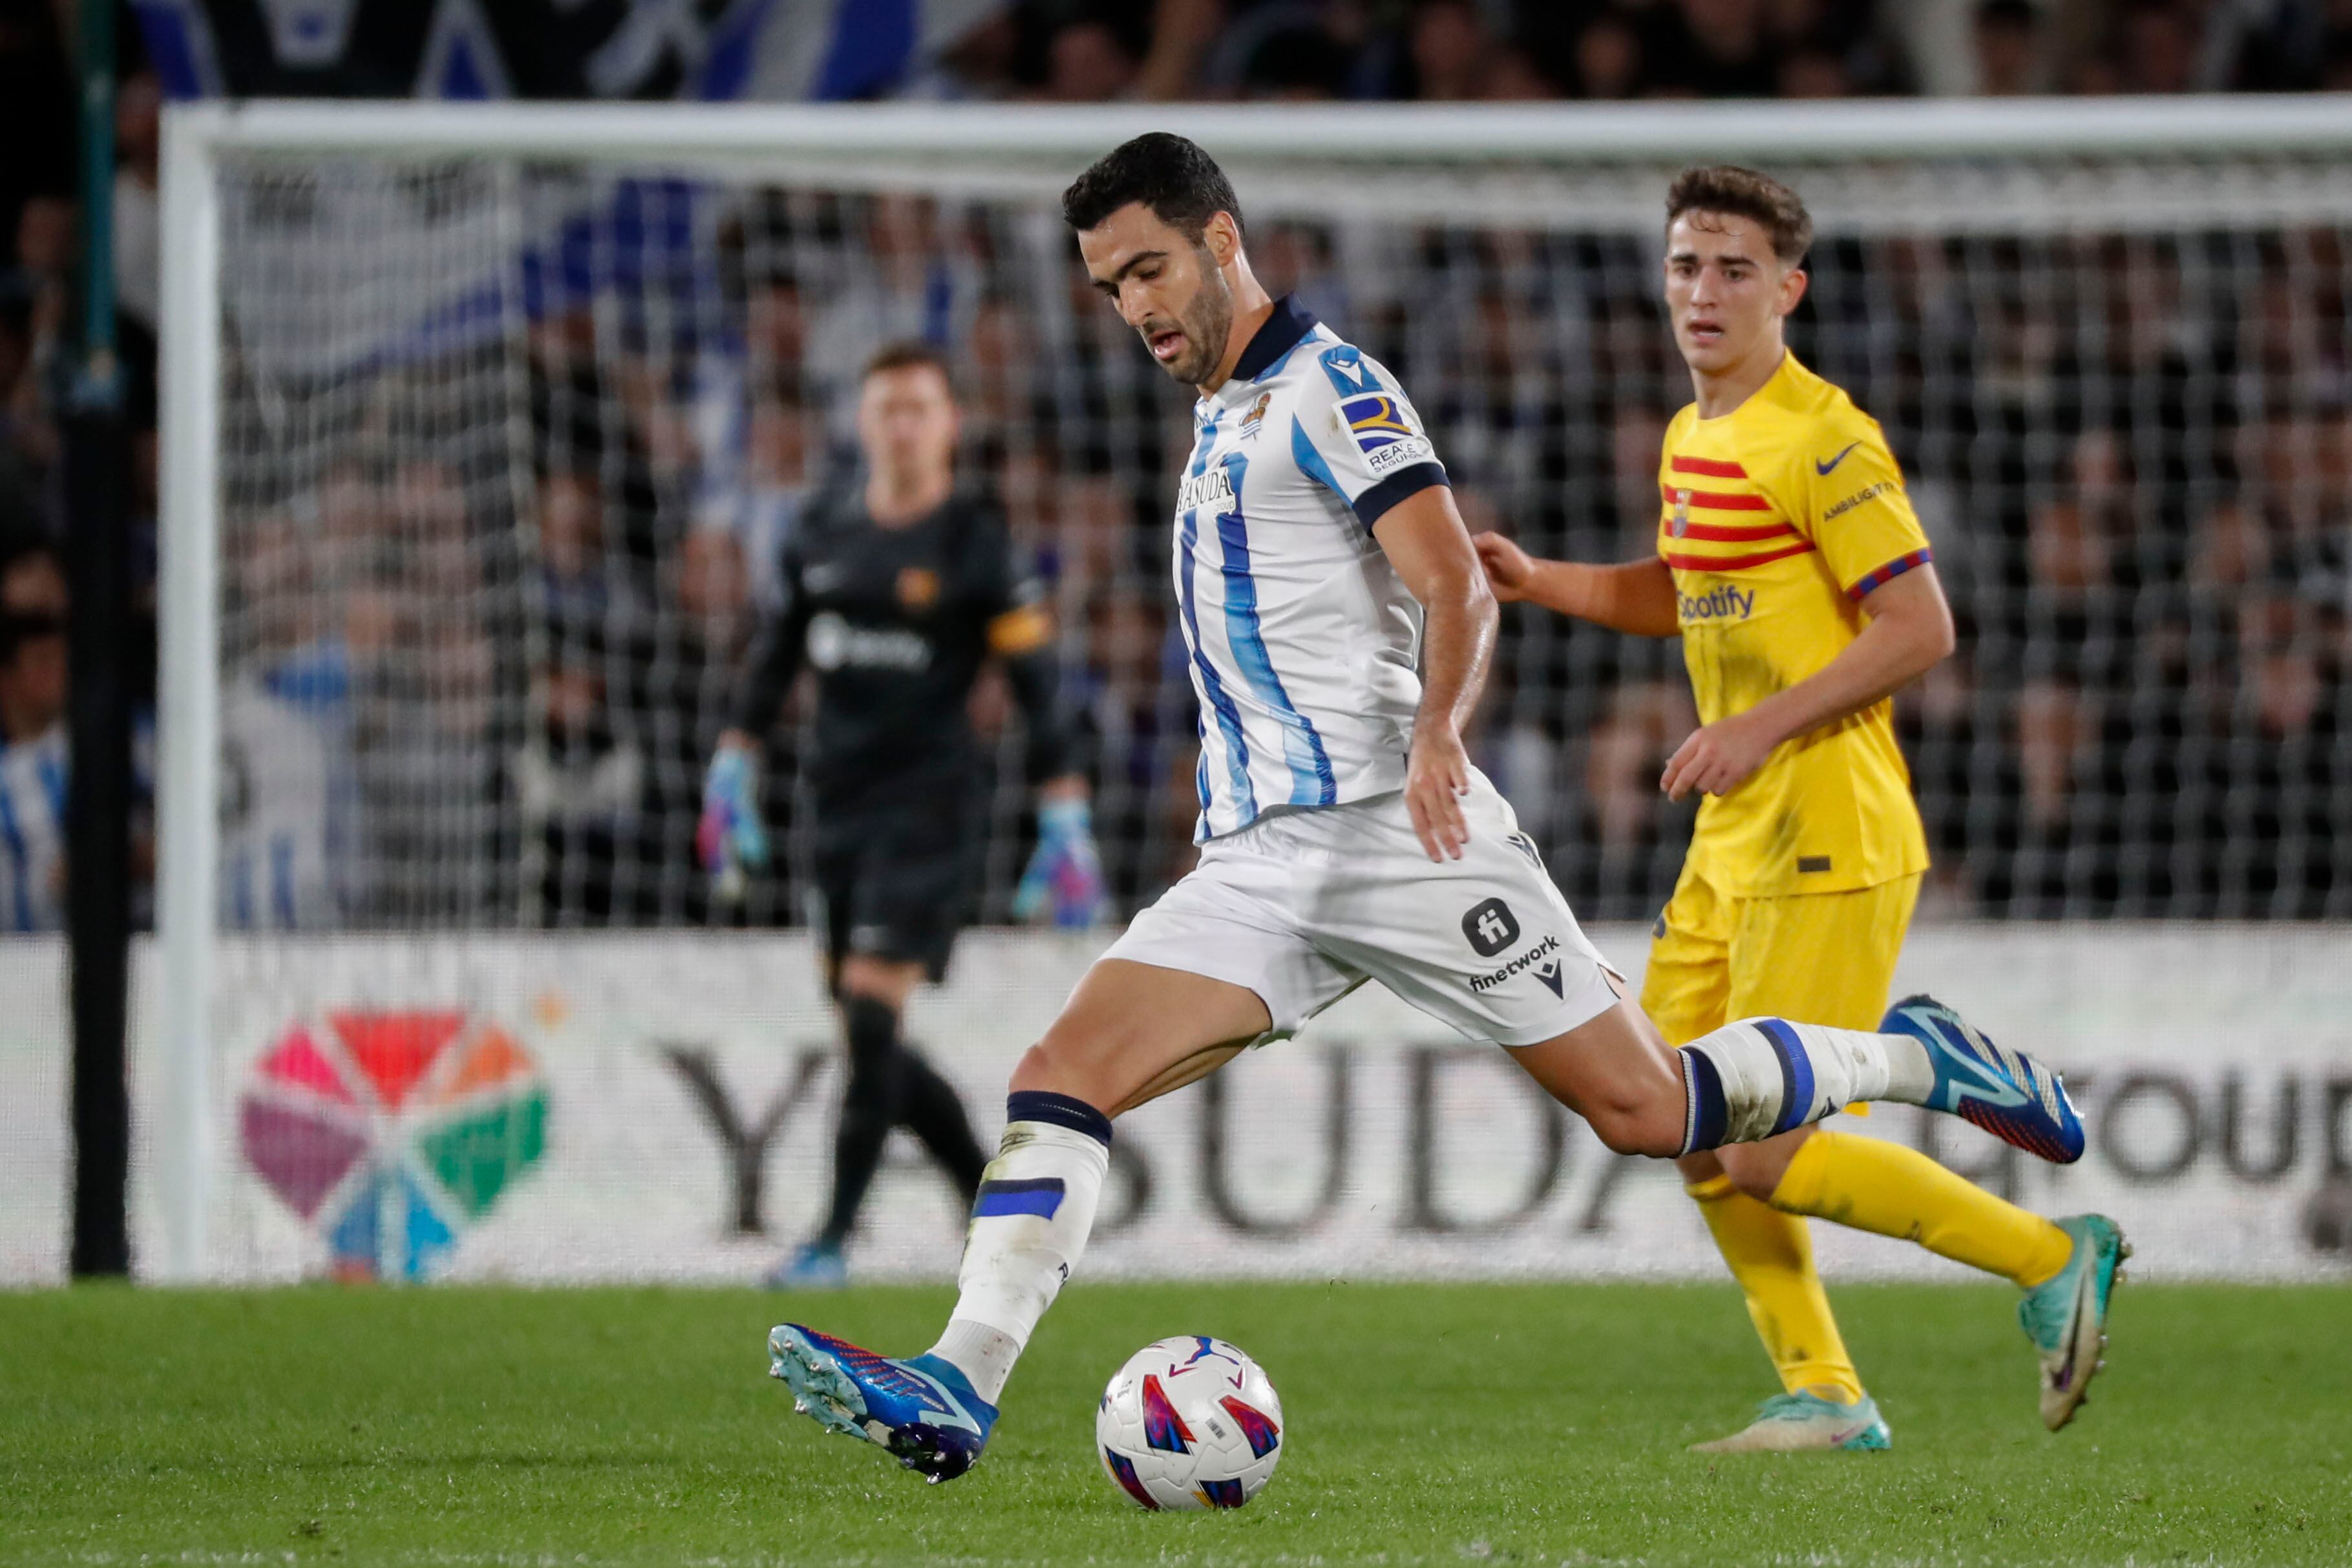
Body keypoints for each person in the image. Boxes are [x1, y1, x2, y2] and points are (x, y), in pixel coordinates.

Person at [761, 134, 2088, 1485]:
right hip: (1262, 863)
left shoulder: (1332, 388)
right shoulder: (1220, 412)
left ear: (1222, 241)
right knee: (1060, 1075)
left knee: (1648, 1111)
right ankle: (956, 1387)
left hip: (1405, 838)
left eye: (1151, 270)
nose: (1137, 309)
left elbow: (1452, 581)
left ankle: (1915, 1058)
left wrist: (1439, 736)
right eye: (1108, 288)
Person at [1474, 165, 2126, 1452]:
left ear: (1788, 288)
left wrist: (1757, 724)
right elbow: (1688, 590)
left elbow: (1919, 626)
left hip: (1828, 825)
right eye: (1682, 266)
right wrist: (1538, 579)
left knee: (1761, 1149)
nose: (1701, 292)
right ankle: (1822, 1391)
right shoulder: (1690, 432)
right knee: (1670, 1113)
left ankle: (2051, 1248)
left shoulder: (1824, 436)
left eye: (1729, 269)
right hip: (1734, 837)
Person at [701, 341, 1105, 1289]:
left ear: (951, 424)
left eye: (921, 408)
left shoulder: (976, 543)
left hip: (929, 813)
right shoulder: (823, 530)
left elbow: (1038, 686)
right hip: (831, 806)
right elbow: (774, 655)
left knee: (875, 1020)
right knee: (863, 1031)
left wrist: (1065, 812)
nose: (904, 426)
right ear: (863, 421)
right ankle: (990, 1200)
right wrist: (734, 758)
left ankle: (833, 1240)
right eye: (888, 408)